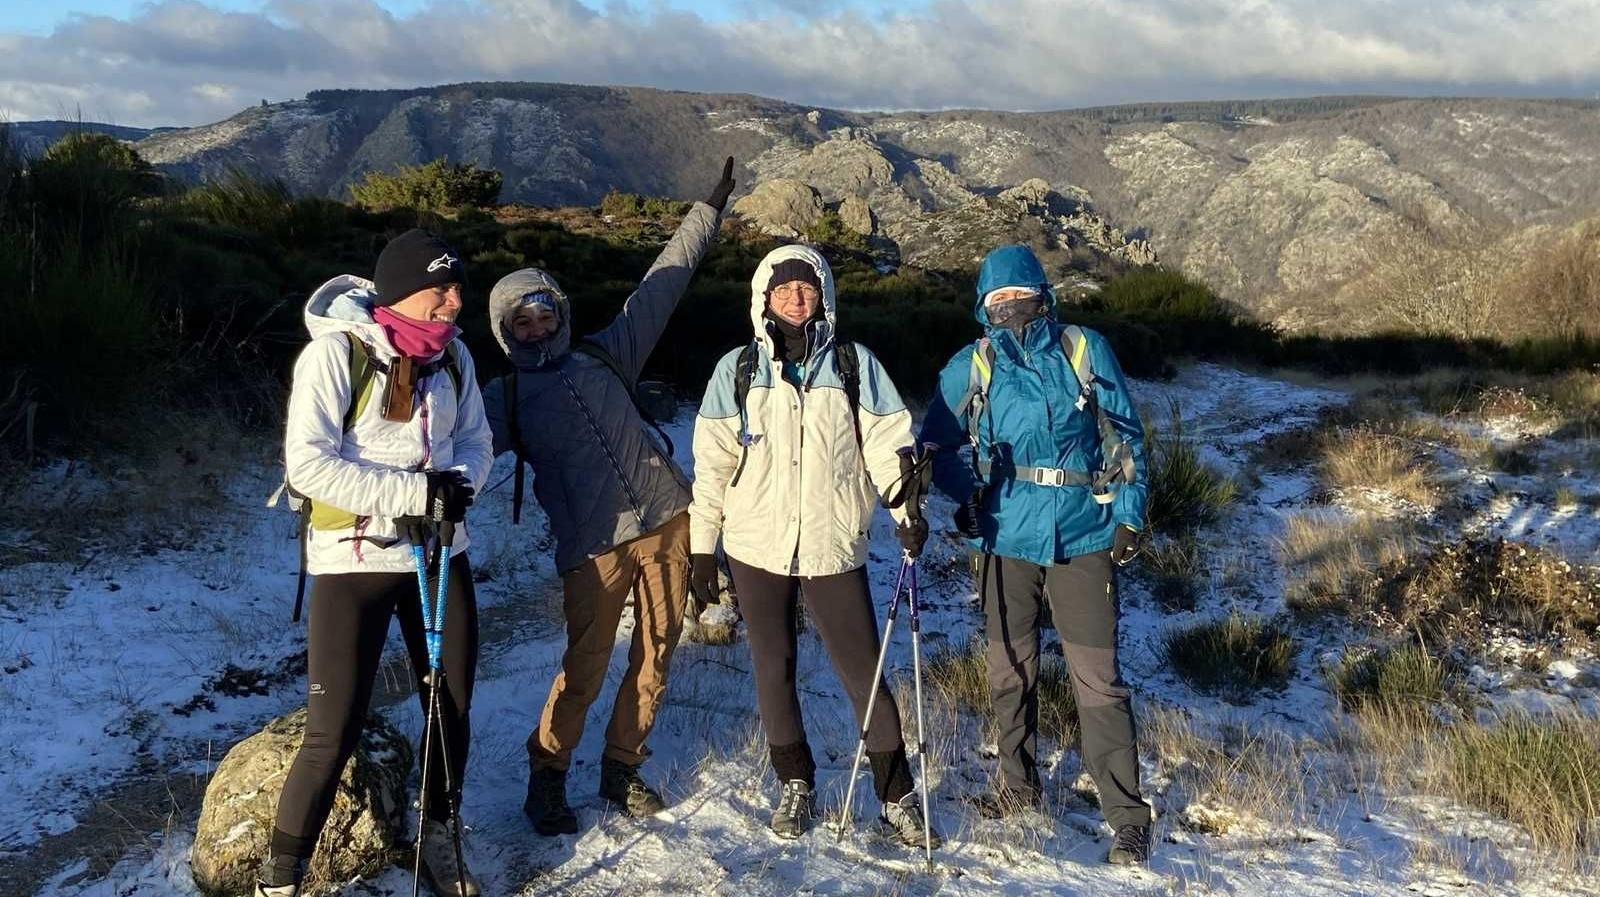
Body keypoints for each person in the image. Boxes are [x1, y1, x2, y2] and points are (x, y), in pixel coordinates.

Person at [483, 159, 735, 836]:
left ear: (560, 313)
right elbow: (455, 448)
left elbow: (663, 284)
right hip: (592, 547)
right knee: (586, 664)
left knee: (657, 649)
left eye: (544, 313)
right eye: (522, 321)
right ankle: (548, 773)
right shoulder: (502, 399)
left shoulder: (606, 353)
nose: (536, 327)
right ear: (505, 331)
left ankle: (622, 766)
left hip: (667, 518)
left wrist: (706, 214)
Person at [259, 230, 494, 897]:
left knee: (450, 705)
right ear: (397, 293)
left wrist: (458, 488)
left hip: (438, 554)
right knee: (333, 728)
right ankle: (281, 878)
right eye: (438, 289)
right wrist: (417, 493)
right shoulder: (336, 354)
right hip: (351, 561)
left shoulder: (456, 358)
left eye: (457, 288)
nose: (453, 301)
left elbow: (477, 440)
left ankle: (438, 837)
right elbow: (306, 465)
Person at [686, 244, 942, 846]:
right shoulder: (738, 370)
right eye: (784, 290)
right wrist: (703, 548)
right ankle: (795, 783)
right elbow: (712, 466)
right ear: (764, 298)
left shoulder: (855, 364)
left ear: (824, 294)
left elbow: (889, 446)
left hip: (832, 542)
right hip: (756, 543)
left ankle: (896, 793)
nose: (796, 299)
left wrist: (905, 510)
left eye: (807, 289)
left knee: (863, 669)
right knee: (773, 667)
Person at [919, 243, 1153, 865]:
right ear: (982, 308)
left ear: (1043, 296)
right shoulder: (974, 364)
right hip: (1003, 535)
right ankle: (1018, 789)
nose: (1010, 306)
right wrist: (962, 496)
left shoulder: (1083, 350)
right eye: (997, 299)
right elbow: (931, 444)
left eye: (1020, 295)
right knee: (1009, 669)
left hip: (1084, 534)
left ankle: (1128, 816)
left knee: (1097, 677)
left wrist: (1129, 513)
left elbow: (1125, 433)